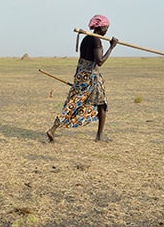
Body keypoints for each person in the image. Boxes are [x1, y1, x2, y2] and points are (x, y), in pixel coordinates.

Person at [46, 14, 118, 142]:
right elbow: (100, 61)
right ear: (100, 28)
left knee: (100, 104)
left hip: (81, 75)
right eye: (106, 28)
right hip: (90, 78)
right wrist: (112, 47)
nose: (107, 31)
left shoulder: (86, 39)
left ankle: (99, 135)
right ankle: (53, 129)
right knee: (74, 104)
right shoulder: (96, 40)